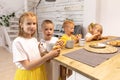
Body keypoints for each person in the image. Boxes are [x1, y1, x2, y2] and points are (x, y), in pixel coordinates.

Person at [12, 12, 60, 80]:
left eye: (34, 23)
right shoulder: (18, 42)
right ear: (21, 25)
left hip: (39, 70)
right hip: (28, 75)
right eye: (28, 23)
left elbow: (39, 55)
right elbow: (28, 66)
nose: (32, 26)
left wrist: (51, 52)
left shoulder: (34, 40)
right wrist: (48, 56)